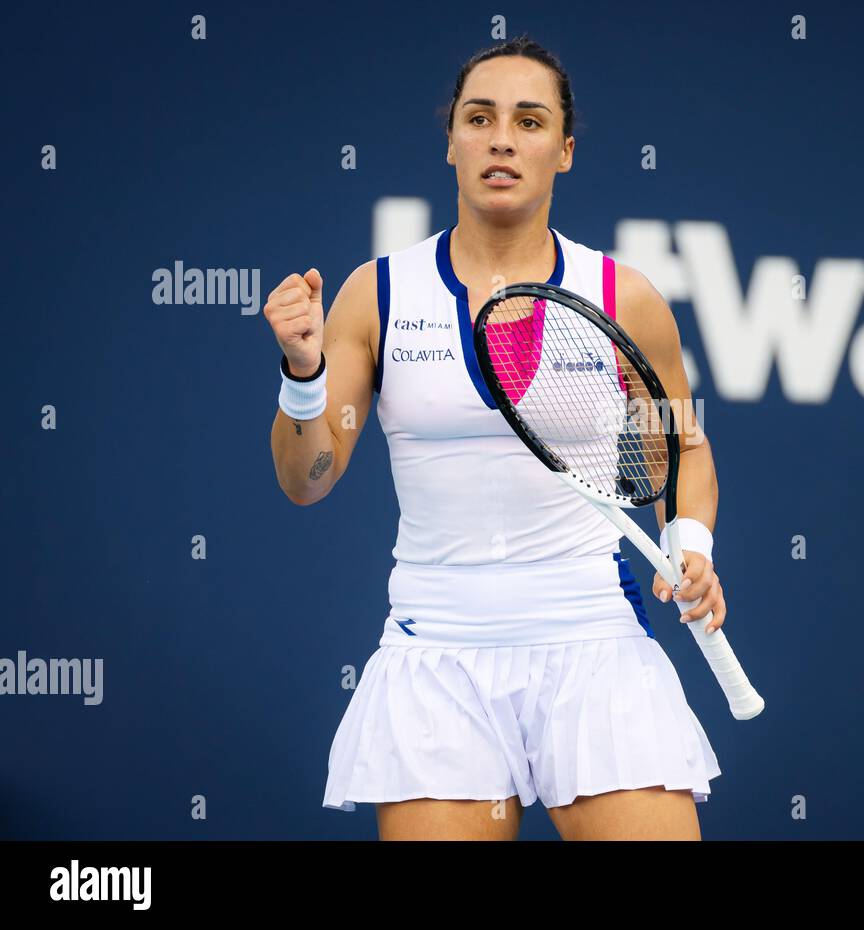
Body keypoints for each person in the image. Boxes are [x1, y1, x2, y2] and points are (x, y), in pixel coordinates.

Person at [262, 35, 727, 840]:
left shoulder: (626, 297)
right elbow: (308, 477)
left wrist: (689, 542)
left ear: (565, 150)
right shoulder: (374, 296)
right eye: (479, 118)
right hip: (435, 660)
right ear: (452, 143)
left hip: (596, 647)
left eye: (529, 120)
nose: (503, 138)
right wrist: (303, 375)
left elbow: (679, 449)